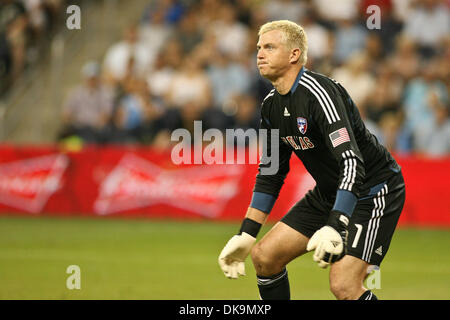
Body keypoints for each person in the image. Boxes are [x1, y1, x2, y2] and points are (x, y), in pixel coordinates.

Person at [218, 20, 406, 300]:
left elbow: (352, 162)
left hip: (373, 191)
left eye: (269, 47)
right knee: (264, 257)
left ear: (294, 54)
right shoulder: (270, 105)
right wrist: (247, 233)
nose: (259, 53)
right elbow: (270, 172)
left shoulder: (321, 93)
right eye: (258, 47)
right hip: (330, 192)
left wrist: (335, 224)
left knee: (343, 285)